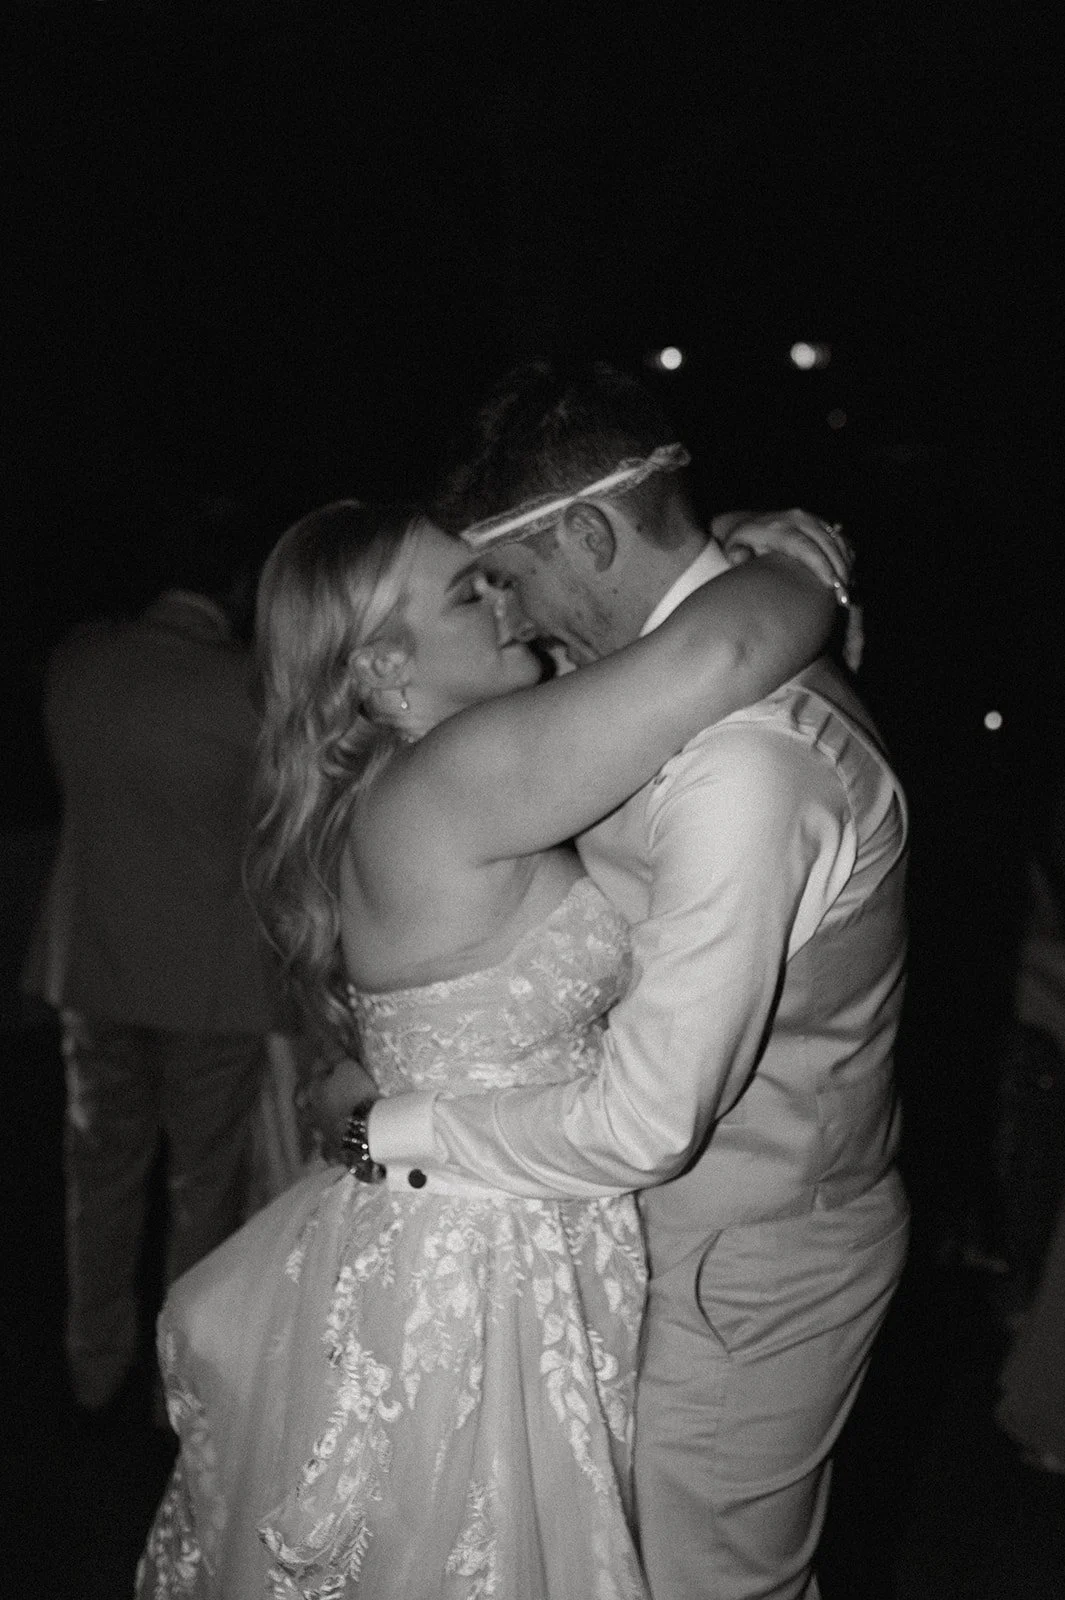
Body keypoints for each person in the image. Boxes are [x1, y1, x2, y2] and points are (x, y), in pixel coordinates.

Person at [136, 494, 845, 1599]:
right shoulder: (460, 774)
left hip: (480, 1212)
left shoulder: (401, 787)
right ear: (382, 671)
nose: (508, 603)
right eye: (470, 593)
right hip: (491, 1257)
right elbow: (735, 642)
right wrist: (800, 565)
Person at [362, 362, 911, 1600]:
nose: (509, 620)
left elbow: (647, 1120)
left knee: (708, 1584)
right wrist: (784, 554)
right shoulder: (651, 684)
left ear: (588, 535)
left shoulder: (747, 769)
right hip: (669, 1233)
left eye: (510, 578)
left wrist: (391, 1127)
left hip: (751, 1257)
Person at [23, 494, 280, 1419]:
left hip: (91, 966)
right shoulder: (245, 687)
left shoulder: (79, 661)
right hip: (209, 980)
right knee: (201, 1187)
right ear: (240, 584)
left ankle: (91, 1358)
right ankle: (185, 1388)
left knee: (98, 1174)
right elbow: (274, 835)